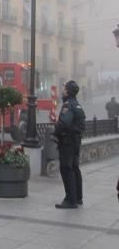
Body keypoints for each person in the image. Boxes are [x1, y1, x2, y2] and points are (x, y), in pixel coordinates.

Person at [54, 80, 86, 209]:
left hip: (67, 142)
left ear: (68, 91)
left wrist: (56, 131)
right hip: (76, 141)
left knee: (66, 169)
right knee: (75, 168)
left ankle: (70, 199)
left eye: (64, 88)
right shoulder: (77, 105)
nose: (62, 90)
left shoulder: (68, 105)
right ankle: (78, 198)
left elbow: (64, 123)